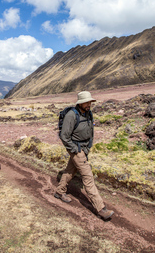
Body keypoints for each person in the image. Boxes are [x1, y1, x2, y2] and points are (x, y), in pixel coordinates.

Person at [54, 91, 114, 220]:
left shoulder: (88, 113)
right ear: (80, 103)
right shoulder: (71, 115)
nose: (89, 104)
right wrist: (75, 149)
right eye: (86, 102)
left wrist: (88, 146)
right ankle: (101, 209)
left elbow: (90, 131)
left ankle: (59, 192)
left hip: (84, 148)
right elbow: (64, 136)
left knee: (70, 170)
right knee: (88, 176)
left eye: (90, 102)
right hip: (76, 148)